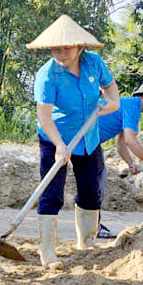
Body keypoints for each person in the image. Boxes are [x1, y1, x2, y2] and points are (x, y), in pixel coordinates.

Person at [27, 15, 120, 268]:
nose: (60, 53)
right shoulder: (47, 75)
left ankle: (86, 244)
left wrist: (110, 104)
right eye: (55, 48)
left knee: (91, 191)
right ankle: (48, 252)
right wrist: (59, 145)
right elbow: (44, 117)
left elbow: (112, 91)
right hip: (54, 137)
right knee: (51, 193)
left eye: (66, 47)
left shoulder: (94, 64)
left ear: (79, 46)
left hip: (88, 137)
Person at [95, 81, 143, 237]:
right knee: (95, 185)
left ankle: (93, 226)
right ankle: (93, 228)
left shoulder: (127, 105)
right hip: (83, 140)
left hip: (90, 143)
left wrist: (130, 162)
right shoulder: (133, 106)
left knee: (96, 182)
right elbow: (130, 140)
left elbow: (120, 143)